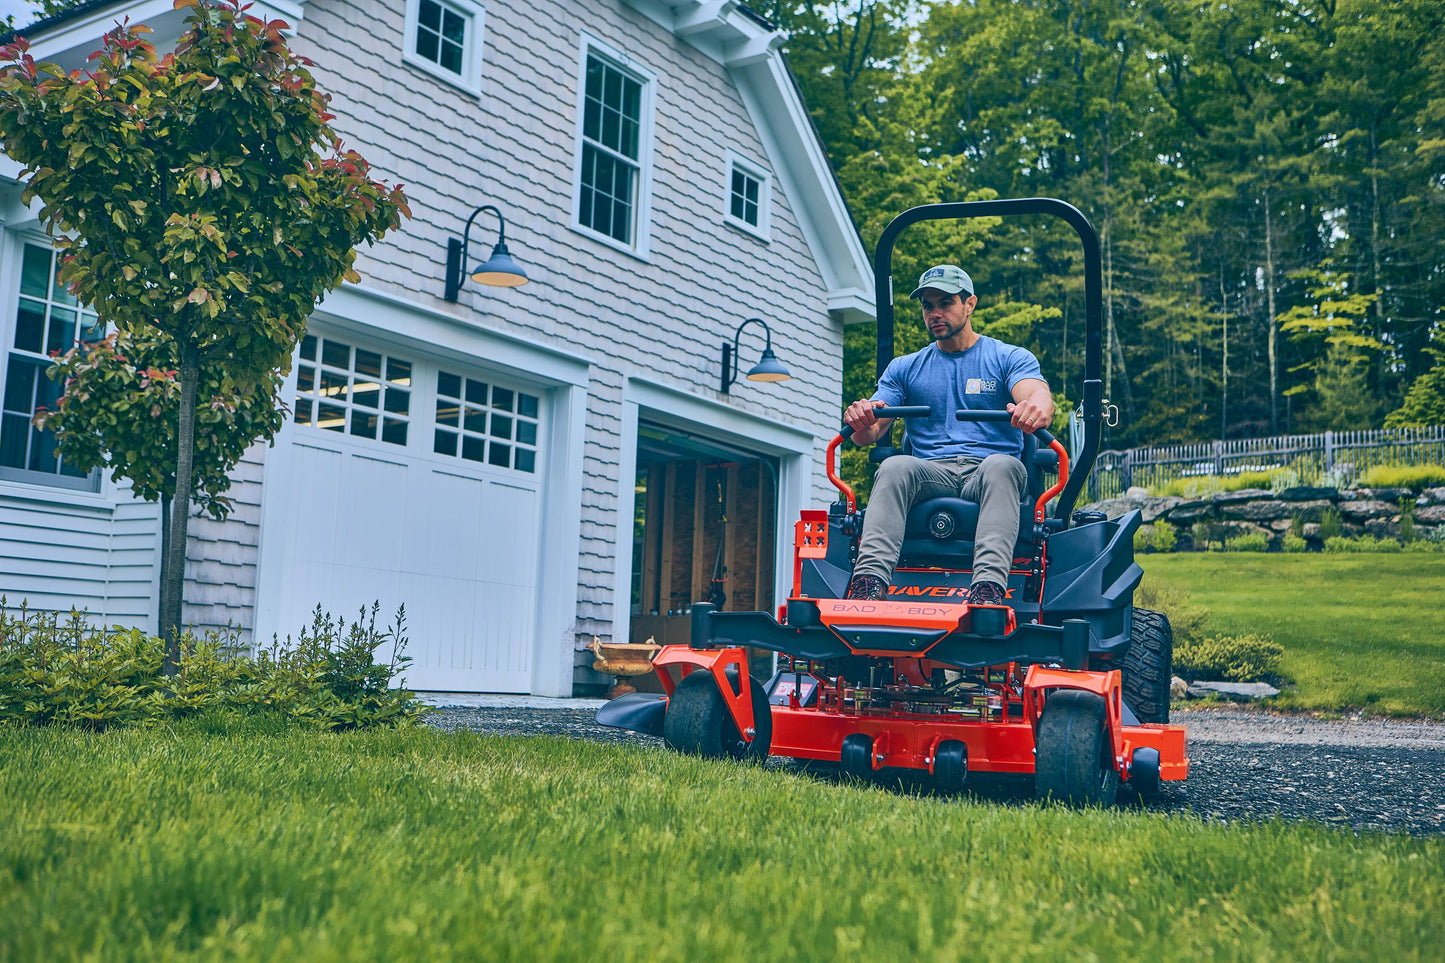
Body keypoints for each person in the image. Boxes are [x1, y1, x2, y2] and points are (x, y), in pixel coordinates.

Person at [842, 264, 1054, 603]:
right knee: (894, 466)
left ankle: (987, 590)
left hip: (986, 470)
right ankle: (868, 585)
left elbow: (1035, 395)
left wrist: (1036, 408)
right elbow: (870, 432)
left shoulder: (1006, 357)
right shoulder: (905, 368)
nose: (935, 313)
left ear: (970, 304)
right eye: (928, 305)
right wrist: (861, 417)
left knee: (1004, 466)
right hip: (930, 472)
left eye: (945, 303)